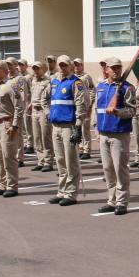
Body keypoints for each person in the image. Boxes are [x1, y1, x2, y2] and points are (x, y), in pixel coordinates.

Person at [95, 57, 136, 215]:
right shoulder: (101, 87)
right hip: (104, 132)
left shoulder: (128, 88)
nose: (116, 70)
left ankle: (122, 202)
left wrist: (118, 112)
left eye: (119, 67)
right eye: (113, 67)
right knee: (107, 169)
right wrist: (96, 128)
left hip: (119, 133)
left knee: (120, 169)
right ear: (107, 70)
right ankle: (111, 200)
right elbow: (97, 110)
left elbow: (132, 111)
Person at [48, 55, 89, 206]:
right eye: (61, 65)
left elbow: (81, 104)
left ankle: (71, 193)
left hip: (69, 126)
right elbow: (48, 100)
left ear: (70, 66)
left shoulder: (76, 82)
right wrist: (49, 113)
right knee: (60, 161)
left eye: (65, 65)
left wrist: (78, 126)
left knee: (70, 160)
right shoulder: (54, 81)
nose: (63, 67)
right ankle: (62, 191)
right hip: (56, 126)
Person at [0, 59, 23, 197]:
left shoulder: (12, 85)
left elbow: (19, 107)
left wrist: (14, 126)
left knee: (8, 157)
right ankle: (2, 184)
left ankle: (12, 186)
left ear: (4, 70)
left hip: (6, 124)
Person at [29, 61, 55, 173]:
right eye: (34, 68)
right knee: (37, 137)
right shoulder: (33, 80)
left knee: (46, 137)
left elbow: (51, 97)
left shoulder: (48, 81)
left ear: (42, 69)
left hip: (43, 111)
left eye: (37, 68)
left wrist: (49, 111)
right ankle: (41, 161)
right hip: (34, 111)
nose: (35, 70)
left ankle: (48, 162)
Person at [72, 57, 97, 161]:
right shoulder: (72, 77)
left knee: (85, 129)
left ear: (82, 65)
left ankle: (87, 150)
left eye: (78, 64)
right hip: (75, 106)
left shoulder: (86, 77)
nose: (76, 66)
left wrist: (90, 105)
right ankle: (81, 149)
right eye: (75, 65)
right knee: (77, 128)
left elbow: (92, 90)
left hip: (85, 106)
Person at [18, 59, 35, 156]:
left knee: (28, 124)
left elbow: (32, 90)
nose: (20, 67)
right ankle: (25, 143)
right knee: (23, 125)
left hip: (27, 101)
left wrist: (31, 103)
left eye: (22, 65)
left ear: (26, 66)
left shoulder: (29, 77)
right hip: (21, 102)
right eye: (19, 65)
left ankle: (30, 144)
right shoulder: (19, 77)